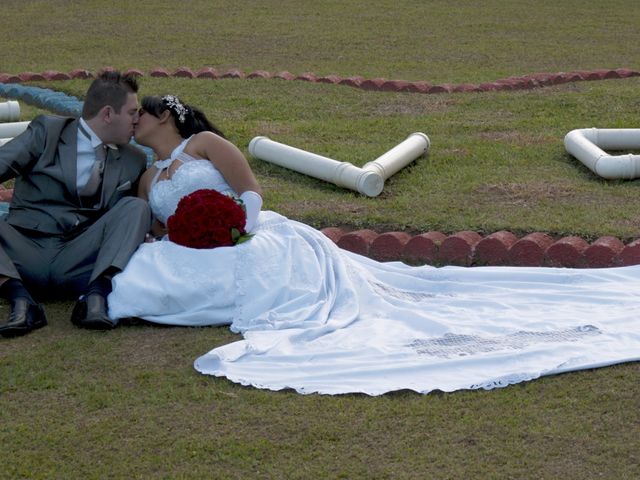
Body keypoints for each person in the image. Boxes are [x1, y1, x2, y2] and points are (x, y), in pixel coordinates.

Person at [107, 94, 640, 396]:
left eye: (144, 113)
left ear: (167, 117)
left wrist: (236, 230)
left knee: (264, 265)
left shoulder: (205, 144)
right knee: (146, 276)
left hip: (245, 232)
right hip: (192, 247)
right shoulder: (148, 180)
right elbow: (157, 229)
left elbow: (249, 191)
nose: (138, 122)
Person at [0, 71, 151, 337]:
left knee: (135, 208)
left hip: (81, 257)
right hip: (23, 249)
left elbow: (126, 222)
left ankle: (95, 297)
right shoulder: (47, 131)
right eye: (132, 112)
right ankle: (20, 300)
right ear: (107, 114)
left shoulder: (134, 159)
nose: (137, 120)